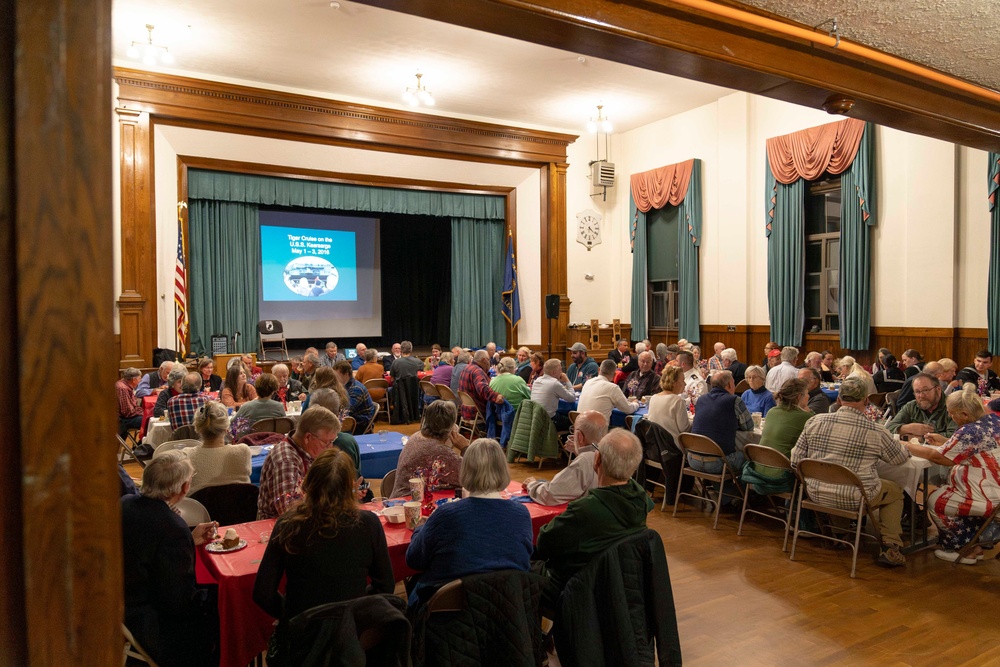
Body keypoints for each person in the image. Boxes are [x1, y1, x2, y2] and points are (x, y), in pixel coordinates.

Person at [253, 448, 394, 623]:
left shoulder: (288, 524)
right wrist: (359, 610)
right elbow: (386, 585)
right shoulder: (368, 523)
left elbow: (262, 593)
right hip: (352, 632)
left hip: (304, 632)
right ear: (351, 486)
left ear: (307, 484)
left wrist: (290, 615)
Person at [790, 376, 911, 567]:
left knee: (839, 479)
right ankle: (891, 546)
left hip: (814, 493)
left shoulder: (815, 421)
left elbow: (795, 460)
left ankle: (839, 534)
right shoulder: (875, 431)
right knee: (895, 491)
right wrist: (906, 446)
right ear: (866, 400)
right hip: (856, 498)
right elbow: (899, 459)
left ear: (838, 400)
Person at [405, 438, 532, 608]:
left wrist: (420, 528)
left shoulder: (446, 516)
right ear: (503, 470)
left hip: (447, 619)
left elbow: (414, 560)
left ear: (465, 471)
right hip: (507, 613)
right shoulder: (522, 514)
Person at [121, 451, 219, 667]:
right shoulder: (172, 527)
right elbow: (179, 601)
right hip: (148, 623)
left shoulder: (126, 504)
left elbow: (145, 550)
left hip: (119, 609)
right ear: (185, 487)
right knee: (218, 607)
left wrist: (189, 541)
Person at [534, 429, 653, 592]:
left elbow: (544, 544)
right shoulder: (641, 503)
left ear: (596, 460)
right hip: (617, 584)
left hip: (575, 588)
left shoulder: (585, 509)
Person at [903, 385, 1000, 564]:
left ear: (964, 414)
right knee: (949, 496)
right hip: (995, 488)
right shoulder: (992, 421)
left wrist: (907, 446)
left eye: (952, 413)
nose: (950, 416)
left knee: (935, 500)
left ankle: (963, 549)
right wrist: (946, 441)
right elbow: (975, 448)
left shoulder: (968, 431)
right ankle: (975, 544)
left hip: (986, 495)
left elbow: (939, 457)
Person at [257, 406, 341, 519]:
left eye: (332, 441)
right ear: (308, 437)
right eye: (327, 442)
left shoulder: (307, 451)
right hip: (278, 529)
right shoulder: (286, 460)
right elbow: (289, 510)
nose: (330, 447)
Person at [521, 411, 609, 505]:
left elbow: (550, 494)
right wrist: (578, 450)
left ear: (579, 436)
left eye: (573, 430)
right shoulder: (612, 452)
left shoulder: (586, 459)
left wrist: (531, 484)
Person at [389, 401, 468, 498]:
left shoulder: (416, 436)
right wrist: (465, 448)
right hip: (414, 505)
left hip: (400, 500)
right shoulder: (441, 452)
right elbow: (474, 477)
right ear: (451, 429)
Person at [690, 371, 754, 473]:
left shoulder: (701, 399)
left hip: (693, 459)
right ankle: (738, 489)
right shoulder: (734, 400)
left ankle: (719, 487)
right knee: (751, 456)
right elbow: (749, 426)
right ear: (729, 385)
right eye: (733, 383)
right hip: (717, 463)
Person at [183, 401, 252, 495]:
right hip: (238, 508)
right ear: (226, 429)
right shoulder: (242, 451)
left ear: (197, 429)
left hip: (201, 509)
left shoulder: (186, 456)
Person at [755, 379, 813, 478]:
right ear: (799, 397)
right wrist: (810, 412)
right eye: (807, 394)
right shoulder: (806, 417)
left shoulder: (772, 411)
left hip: (757, 470)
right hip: (781, 475)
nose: (809, 397)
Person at [886, 372, 958, 443]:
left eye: (926, 390)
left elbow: (954, 437)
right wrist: (908, 428)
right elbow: (888, 429)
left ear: (938, 389)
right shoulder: (911, 406)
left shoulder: (952, 406)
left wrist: (919, 438)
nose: (921, 396)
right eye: (917, 392)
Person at [307, 389, 361, 472]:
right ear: (338, 414)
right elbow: (355, 477)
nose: (330, 446)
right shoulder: (347, 442)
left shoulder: (305, 440)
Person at [646, 366, 693, 446]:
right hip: (672, 449)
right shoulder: (677, 400)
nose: (685, 384)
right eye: (682, 381)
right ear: (674, 383)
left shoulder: (654, 398)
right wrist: (694, 421)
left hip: (655, 447)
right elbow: (684, 429)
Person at [530, 358, 577, 431]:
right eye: (560, 370)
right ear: (554, 372)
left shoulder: (537, 381)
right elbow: (572, 398)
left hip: (535, 419)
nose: (562, 372)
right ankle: (564, 441)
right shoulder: (554, 383)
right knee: (575, 422)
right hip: (549, 421)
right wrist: (567, 381)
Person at [458, 350, 505, 422]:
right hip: (476, 413)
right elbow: (482, 388)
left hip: (466, 411)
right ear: (484, 360)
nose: (489, 362)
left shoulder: (467, 368)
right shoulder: (477, 371)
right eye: (489, 360)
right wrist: (495, 396)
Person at [333, 360, 376, 431]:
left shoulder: (356, 389)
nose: (335, 378)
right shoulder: (345, 386)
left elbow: (346, 410)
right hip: (353, 419)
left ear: (346, 374)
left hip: (360, 423)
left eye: (337, 375)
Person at [117, 367, 144, 436]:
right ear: (134, 380)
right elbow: (127, 412)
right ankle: (141, 445)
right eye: (140, 378)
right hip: (122, 420)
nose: (141, 380)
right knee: (148, 421)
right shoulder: (123, 389)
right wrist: (143, 413)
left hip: (126, 417)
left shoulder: (123, 385)